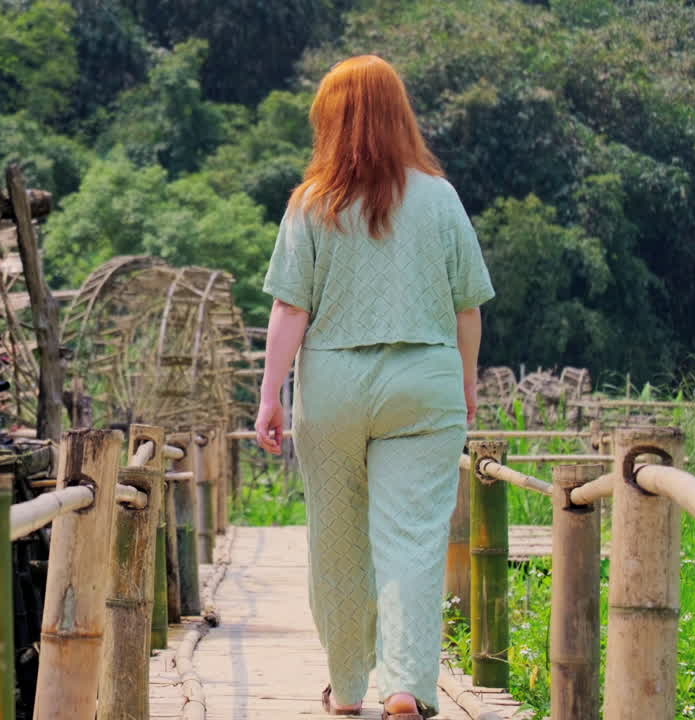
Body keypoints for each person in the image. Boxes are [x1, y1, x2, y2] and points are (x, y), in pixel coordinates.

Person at [253, 55, 494, 720]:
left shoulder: (312, 203)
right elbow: (467, 307)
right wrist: (467, 381)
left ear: (329, 122)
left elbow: (289, 311)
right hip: (424, 381)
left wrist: (271, 395)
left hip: (333, 385)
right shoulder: (441, 198)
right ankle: (406, 688)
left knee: (335, 538)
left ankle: (349, 688)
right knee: (413, 538)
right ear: (400, 116)